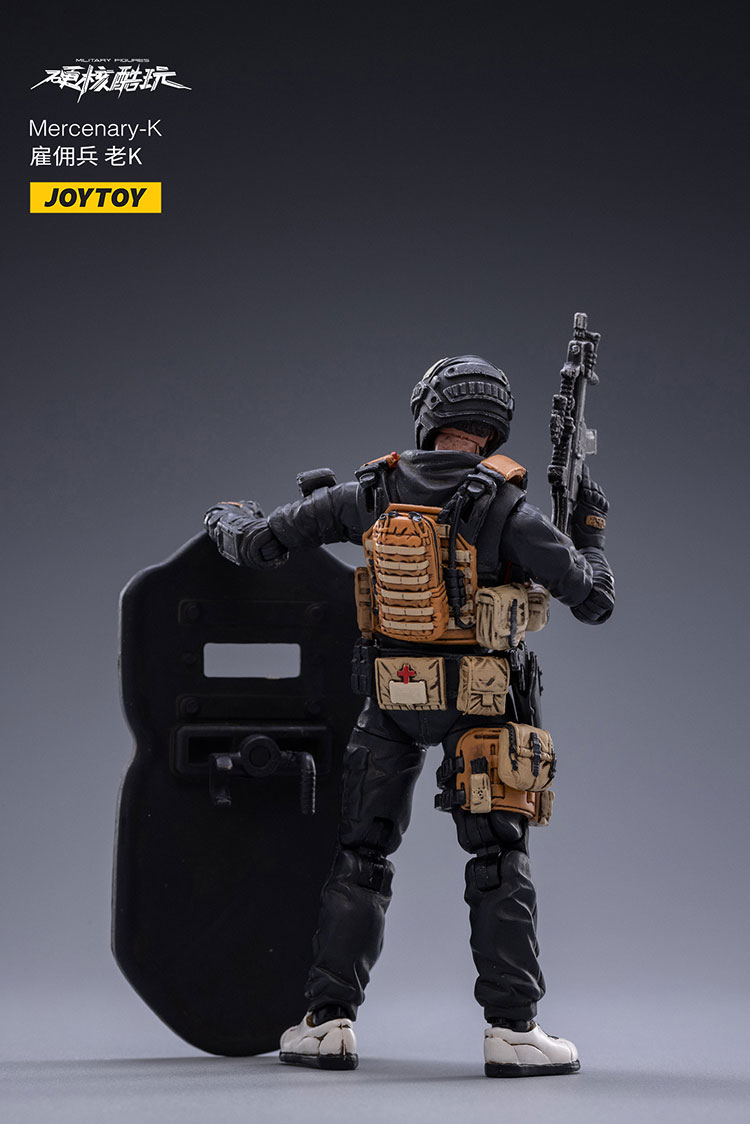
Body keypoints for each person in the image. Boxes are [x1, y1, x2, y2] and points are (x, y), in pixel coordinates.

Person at [204, 354, 614, 1077]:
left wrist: (227, 521)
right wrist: (589, 530)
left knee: (361, 858)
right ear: (493, 428)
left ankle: (327, 1023)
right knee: (497, 861)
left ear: (428, 415)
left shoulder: (370, 493)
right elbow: (594, 600)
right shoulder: (509, 510)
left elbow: (263, 543)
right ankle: (513, 1033)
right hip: (481, 704)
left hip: (392, 698)